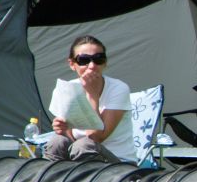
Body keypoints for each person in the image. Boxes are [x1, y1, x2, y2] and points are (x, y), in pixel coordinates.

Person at [44, 35, 137, 164]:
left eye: (98, 59)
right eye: (83, 60)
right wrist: (63, 130)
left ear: (105, 62)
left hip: (118, 164)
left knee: (84, 146)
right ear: (72, 64)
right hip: (79, 156)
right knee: (57, 142)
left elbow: (96, 137)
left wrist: (92, 96)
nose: (92, 65)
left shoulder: (118, 89)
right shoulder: (65, 89)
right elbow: (70, 140)